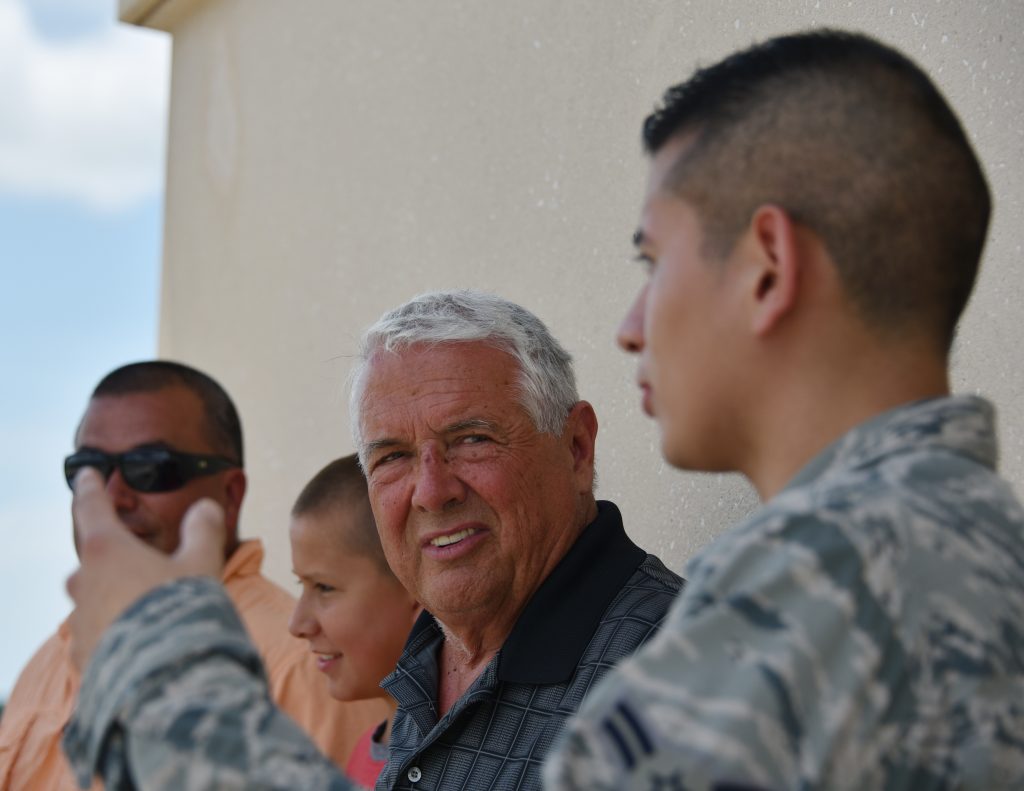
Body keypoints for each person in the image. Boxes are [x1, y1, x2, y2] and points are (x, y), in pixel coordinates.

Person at [543, 29, 1024, 790]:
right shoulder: (993, 546)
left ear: (768, 266)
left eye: (654, 260)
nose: (630, 326)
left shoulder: (807, 589)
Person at [60, 294, 682, 789]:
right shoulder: (419, 665)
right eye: (393, 456)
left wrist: (171, 689)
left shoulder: (673, 671)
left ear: (576, 448)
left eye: (472, 439)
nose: (431, 491)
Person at [0, 362, 388, 790]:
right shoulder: (54, 656)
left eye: (149, 468)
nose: (112, 497)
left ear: (230, 494)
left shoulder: (307, 663)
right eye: (87, 470)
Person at [288, 454, 422, 787]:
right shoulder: (366, 751)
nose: (298, 624)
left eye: (324, 587)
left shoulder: (470, 758)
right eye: (301, 585)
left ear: (415, 587)